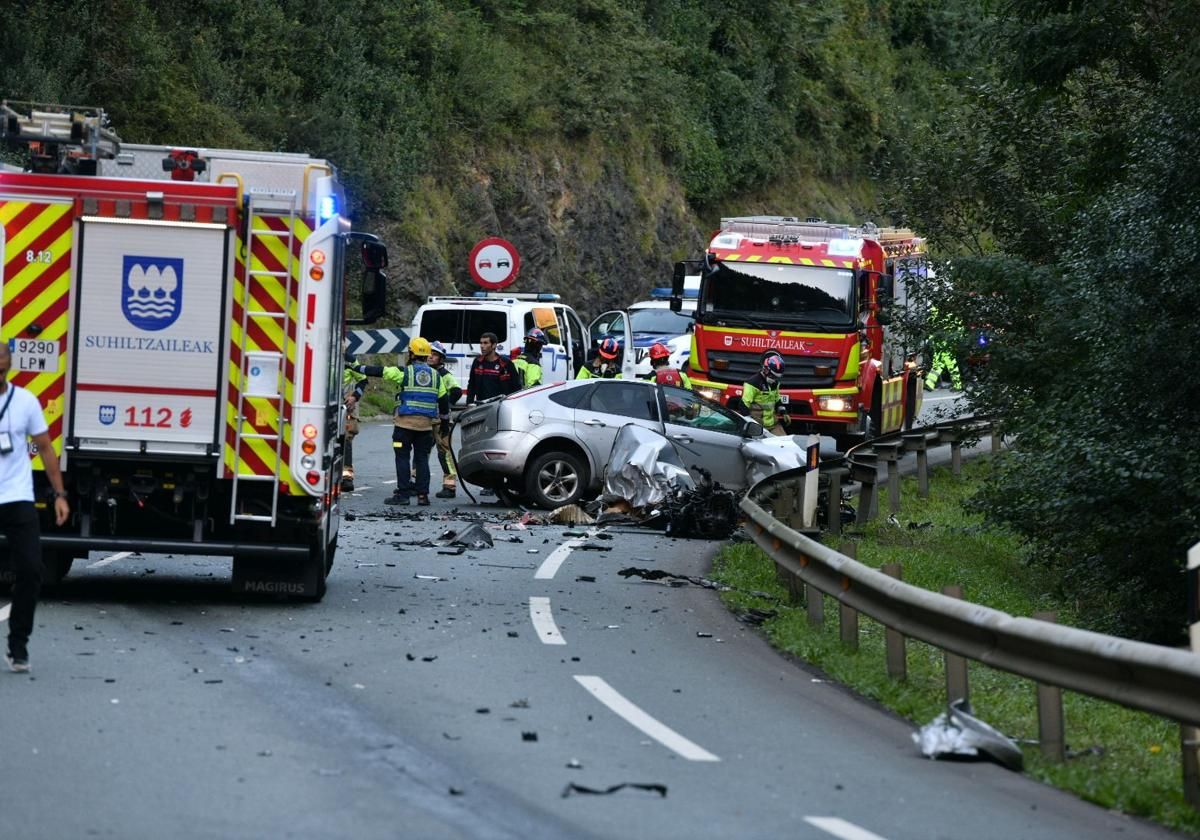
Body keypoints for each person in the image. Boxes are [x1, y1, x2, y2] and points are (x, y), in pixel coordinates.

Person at [0, 343, 69, 673]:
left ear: (9, 365)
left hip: (17, 497)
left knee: (31, 569)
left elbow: (45, 448)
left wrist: (59, 495)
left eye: (2, 364)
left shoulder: (26, 401)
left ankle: (18, 645)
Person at [352, 337, 450, 506]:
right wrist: (445, 425)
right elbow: (444, 400)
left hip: (404, 426)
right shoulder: (436, 376)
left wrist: (355, 367)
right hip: (425, 427)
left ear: (411, 354)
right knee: (422, 459)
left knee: (402, 458)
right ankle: (423, 496)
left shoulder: (404, 372)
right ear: (426, 355)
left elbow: (379, 371)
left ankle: (403, 495)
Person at [428, 341, 463, 499]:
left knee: (444, 452)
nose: (430, 357)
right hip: (426, 419)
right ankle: (416, 482)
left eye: (434, 355)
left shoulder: (444, 375)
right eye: (429, 354)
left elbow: (456, 391)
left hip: (441, 420)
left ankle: (449, 486)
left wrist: (445, 406)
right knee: (422, 452)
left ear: (441, 358)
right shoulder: (425, 373)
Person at [736, 353, 789, 436]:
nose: (774, 379)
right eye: (772, 376)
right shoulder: (753, 383)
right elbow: (743, 405)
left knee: (785, 442)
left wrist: (783, 412)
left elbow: (777, 398)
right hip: (758, 426)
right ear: (766, 369)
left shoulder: (775, 383)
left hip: (773, 424)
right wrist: (751, 425)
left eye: (776, 377)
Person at [465, 332, 521, 405]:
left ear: (494, 345)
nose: (482, 346)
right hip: (482, 405)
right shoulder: (477, 362)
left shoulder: (506, 363)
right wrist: (469, 403)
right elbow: (471, 385)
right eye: (481, 343)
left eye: (485, 343)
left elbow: (516, 386)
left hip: (501, 405)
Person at [341, 346, 367, 491]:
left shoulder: (350, 360)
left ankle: (346, 476)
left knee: (346, 437)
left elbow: (363, 380)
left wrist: (354, 397)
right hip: (323, 403)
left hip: (346, 404)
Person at [924, 306, 963, 391]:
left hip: (939, 343)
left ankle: (929, 383)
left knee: (939, 364)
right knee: (951, 364)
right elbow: (958, 327)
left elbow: (930, 327)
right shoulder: (951, 313)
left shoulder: (934, 311)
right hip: (947, 342)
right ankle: (957, 385)